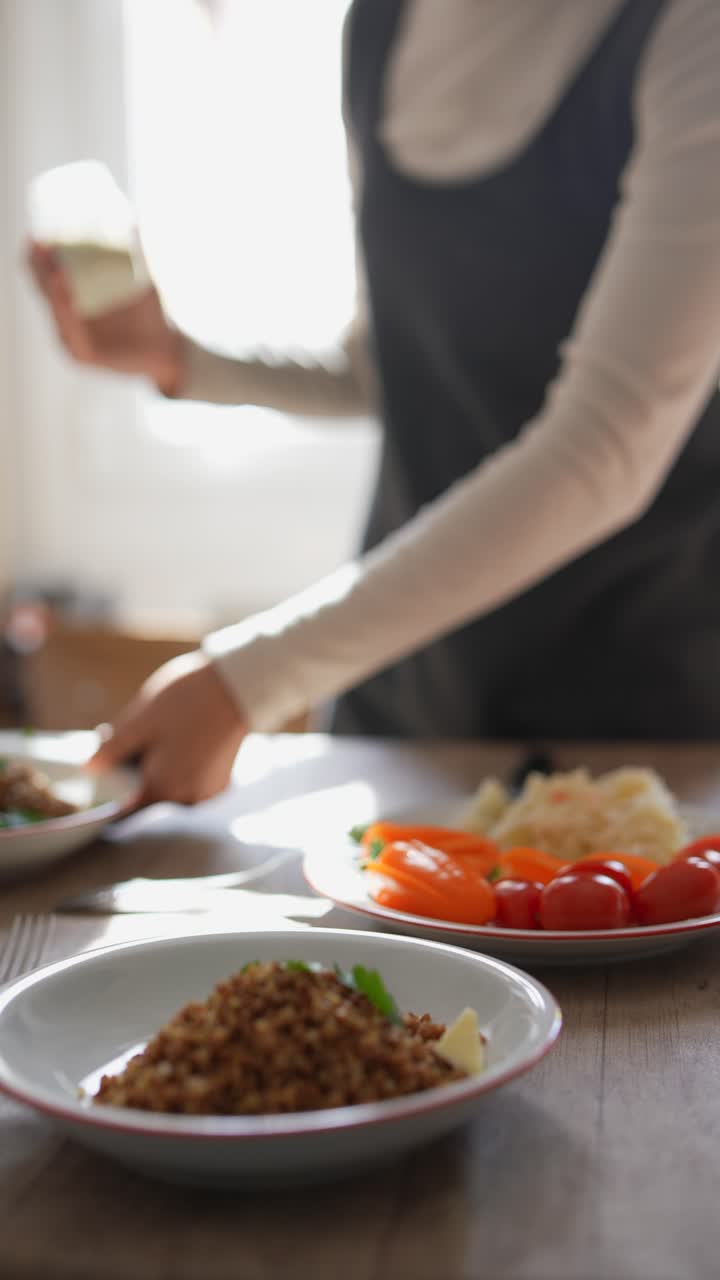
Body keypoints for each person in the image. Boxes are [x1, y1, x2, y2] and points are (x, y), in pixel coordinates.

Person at [29, 0, 720, 808]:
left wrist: (247, 680)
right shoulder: (380, 26)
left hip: (630, 696)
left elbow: (606, 448)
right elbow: (385, 367)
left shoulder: (691, 30)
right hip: (405, 688)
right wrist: (181, 360)